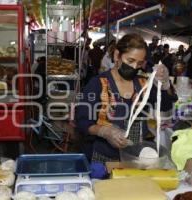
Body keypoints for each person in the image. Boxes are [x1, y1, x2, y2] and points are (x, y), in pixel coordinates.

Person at [75, 34, 178, 163]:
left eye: (139, 63)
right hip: (105, 159)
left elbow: (165, 106)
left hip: (136, 158)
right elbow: (83, 122)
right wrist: (104, 132)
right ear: (117, 55)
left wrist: (165, 84)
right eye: (130, 61)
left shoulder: (143, 84)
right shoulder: (98, 84)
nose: (135, 67)